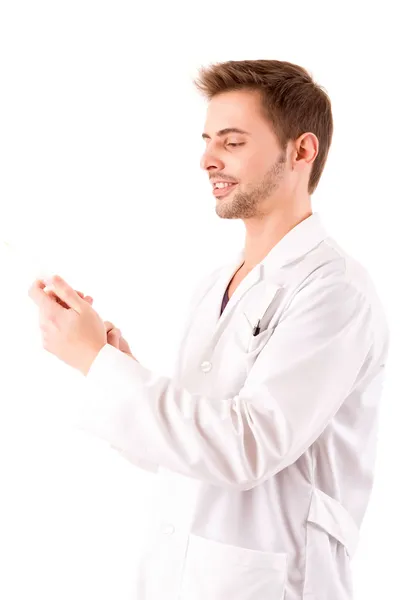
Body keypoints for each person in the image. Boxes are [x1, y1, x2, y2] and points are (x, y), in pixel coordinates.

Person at [29, 59, 390, 600]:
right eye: (206, 140)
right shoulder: (218, 284)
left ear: (301, 151)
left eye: (233, 141)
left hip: (278, 584)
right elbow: (178, 447)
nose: (206, 159)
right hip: (181, 577)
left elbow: (245, 447)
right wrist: (113, 364)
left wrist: (95, 363)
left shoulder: (335, 293)